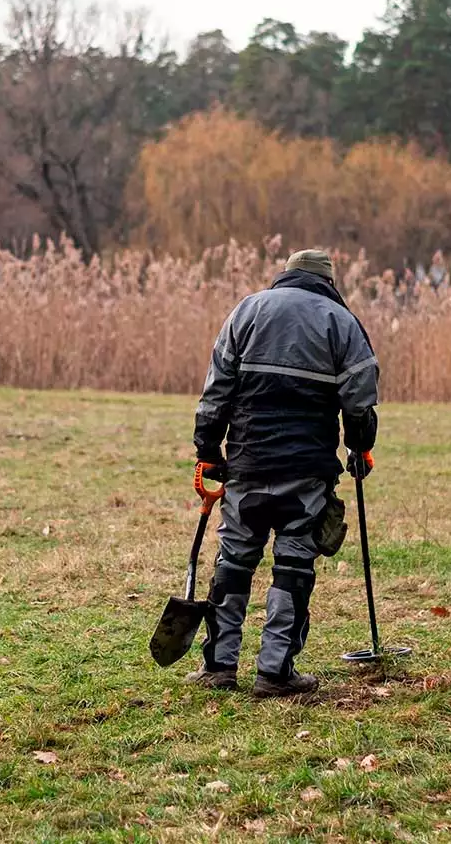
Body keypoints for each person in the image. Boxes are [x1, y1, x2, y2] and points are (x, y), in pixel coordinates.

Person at [188, 248, 379, 698]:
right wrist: (360, 447)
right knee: (293, 567)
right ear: (328, 282)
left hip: (247, 466)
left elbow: (216, 390)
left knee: (233, 562)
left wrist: (208, 449)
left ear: (286, 275)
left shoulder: (247, 311)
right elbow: (360, 400)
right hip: (306, 474)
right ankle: (275, 672)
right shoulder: (341, 322)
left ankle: (219, 666)